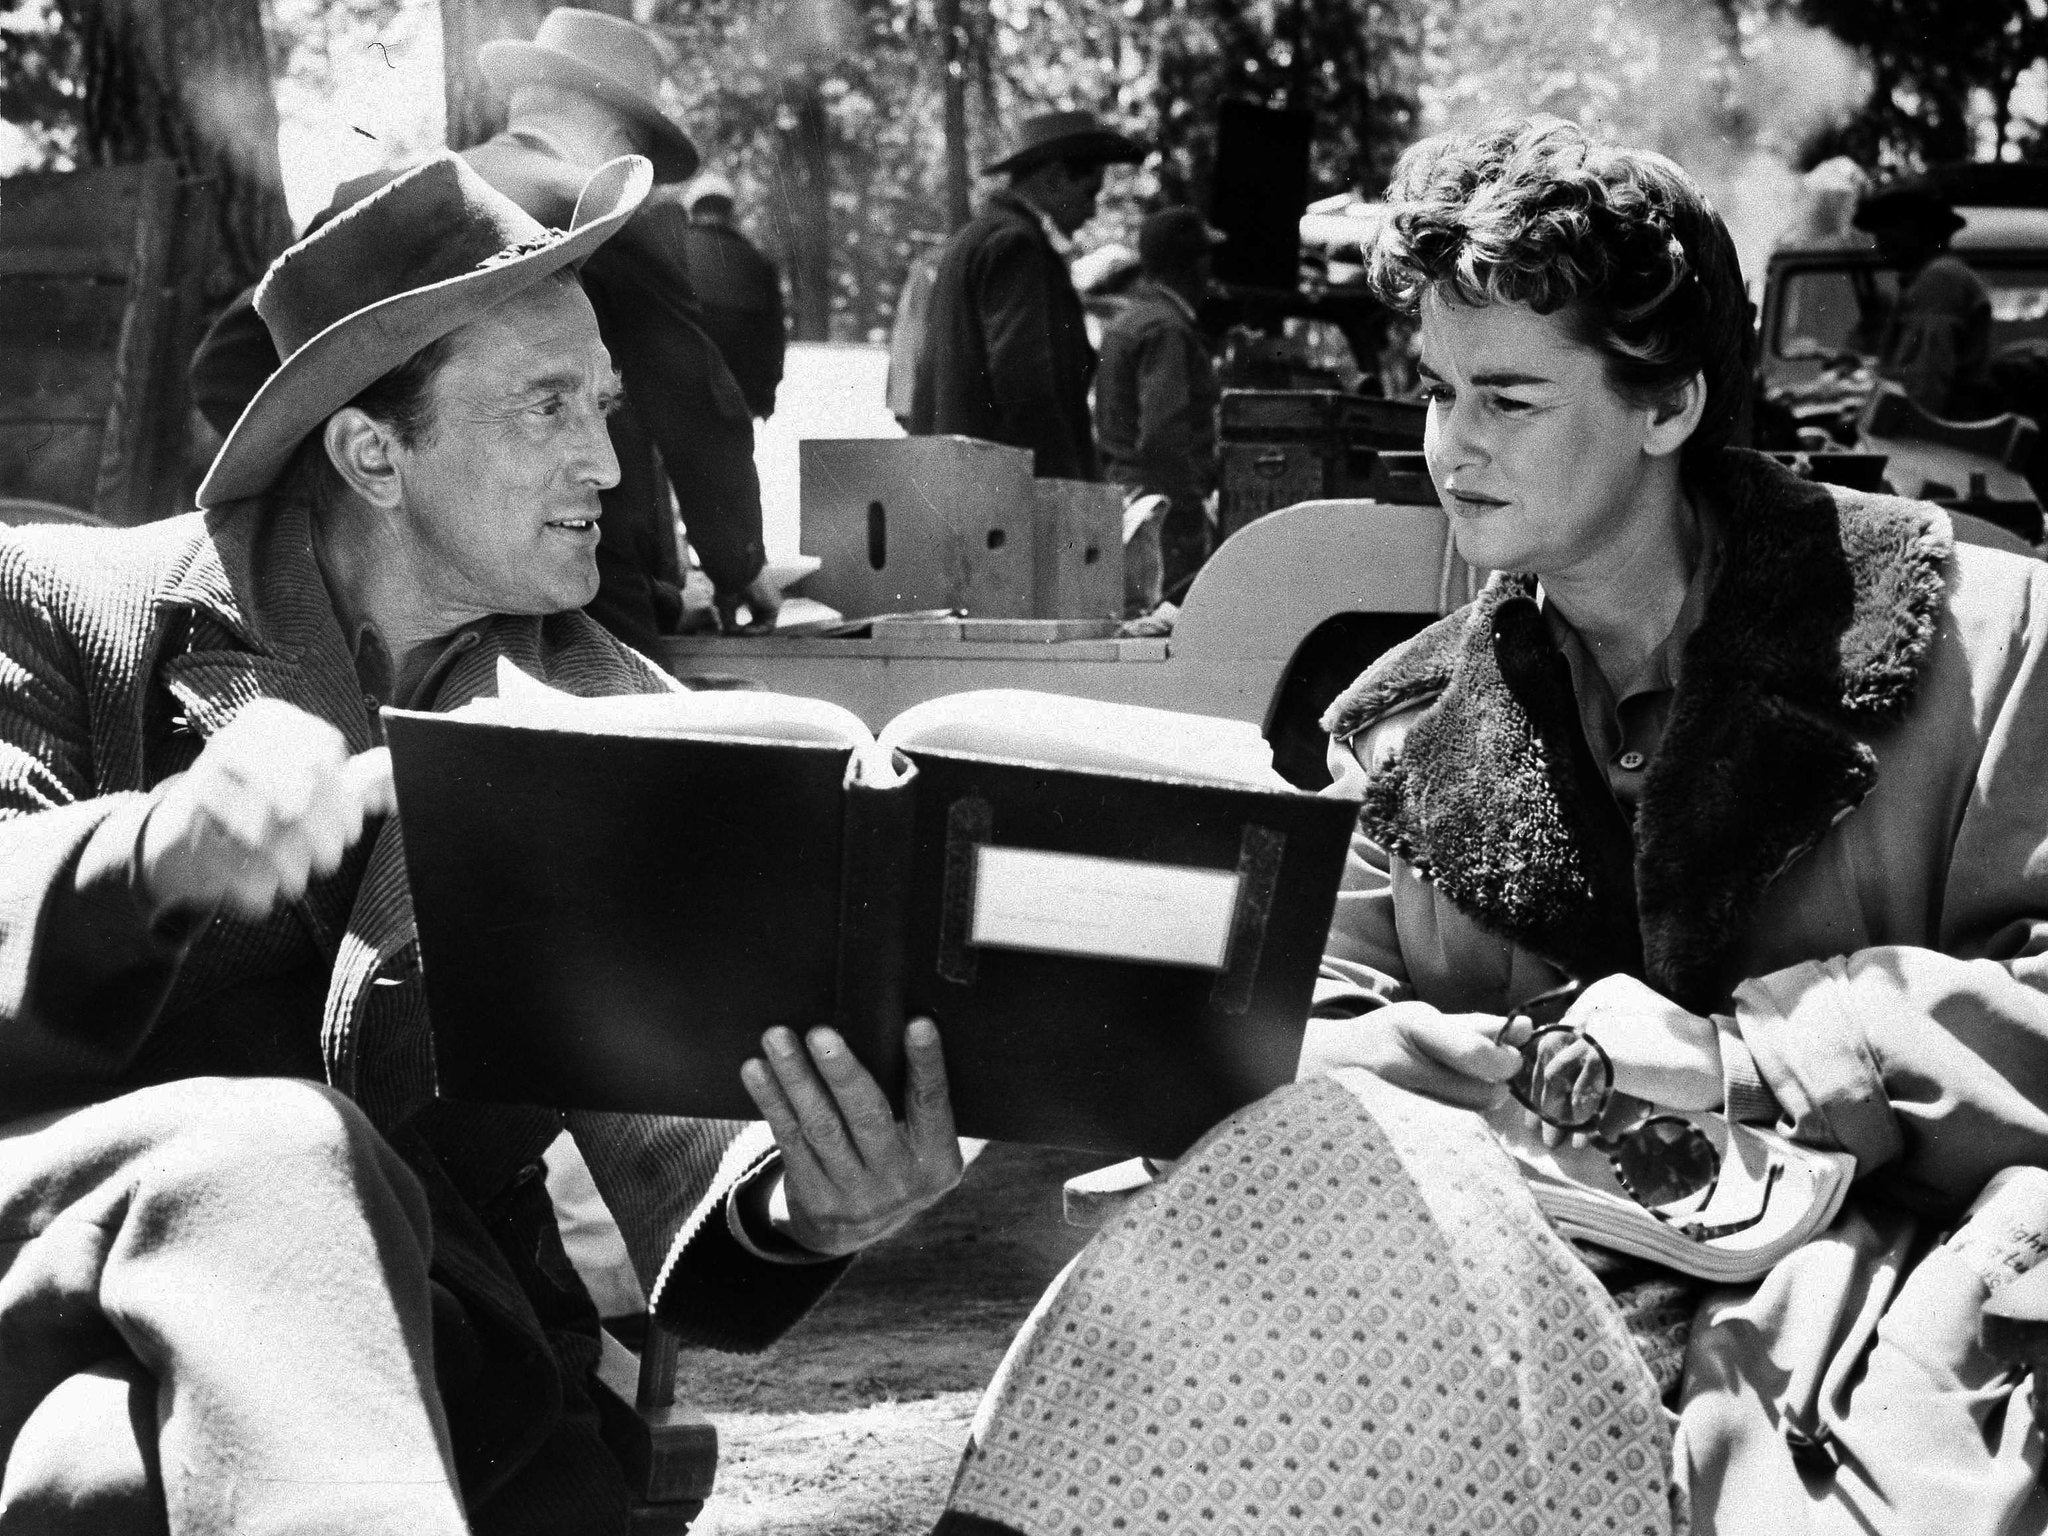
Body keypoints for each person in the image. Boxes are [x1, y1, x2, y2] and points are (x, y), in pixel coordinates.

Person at [939, 118, 2048, 1535]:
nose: (1448, 450)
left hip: (1870, 1353)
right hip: (1514, 1348)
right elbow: (1308, 996)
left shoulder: (1979, 635)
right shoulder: (1400, 731)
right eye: (1434, 391)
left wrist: (1752, 1054)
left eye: (1508, 402)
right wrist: (1351, 1053)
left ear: (1669, 405)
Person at [0, 150, 963, 1536]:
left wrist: (814, 1201)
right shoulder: (67, 607)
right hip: (53, 1285)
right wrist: (157, 850)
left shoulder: (610, 723)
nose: (609, 463)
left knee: (104, 1485)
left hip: (412, 1388)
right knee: (276, 1147)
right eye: (546, 408)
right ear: (374, 453)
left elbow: (674, 1126)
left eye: (608, 406)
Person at [190, 6, 782, 647]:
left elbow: (225, 364)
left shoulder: (377, 199)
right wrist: (738, 565)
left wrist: (367, 505)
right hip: (572, 602)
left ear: (525, 103)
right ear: (618, 137)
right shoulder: (608, 215)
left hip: (388, 605)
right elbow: (697, 406)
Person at [908, 109, 1144, 480]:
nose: (1093, 211)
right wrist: (1068, 486)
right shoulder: (1017, 245)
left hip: (954, 479)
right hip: (1000, 492)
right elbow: (1024, 386)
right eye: (1089, 192)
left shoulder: (973, 238)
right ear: (1053, 179)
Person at [1094, 207, 1225, 602]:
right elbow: (1163, 435)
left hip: (1128, 501)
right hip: (1163, 512)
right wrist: (1191, 508)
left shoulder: (1129, 322)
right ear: (1196, 264)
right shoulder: (1168, 329)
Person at [1854, 177, 2001, 420]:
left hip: (1936, 442)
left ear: (1925, 229)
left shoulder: (1939, 279)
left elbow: (1924, 385)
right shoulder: (1930, 278)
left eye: (1892, 226)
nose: (1880, 240)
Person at [676, 171, 787, 420]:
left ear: (692, 211)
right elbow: (773, 338)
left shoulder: (672, 256)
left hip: (680, 395)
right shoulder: (759, 262)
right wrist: (765, 398)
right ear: (730, 213)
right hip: (739, 396)